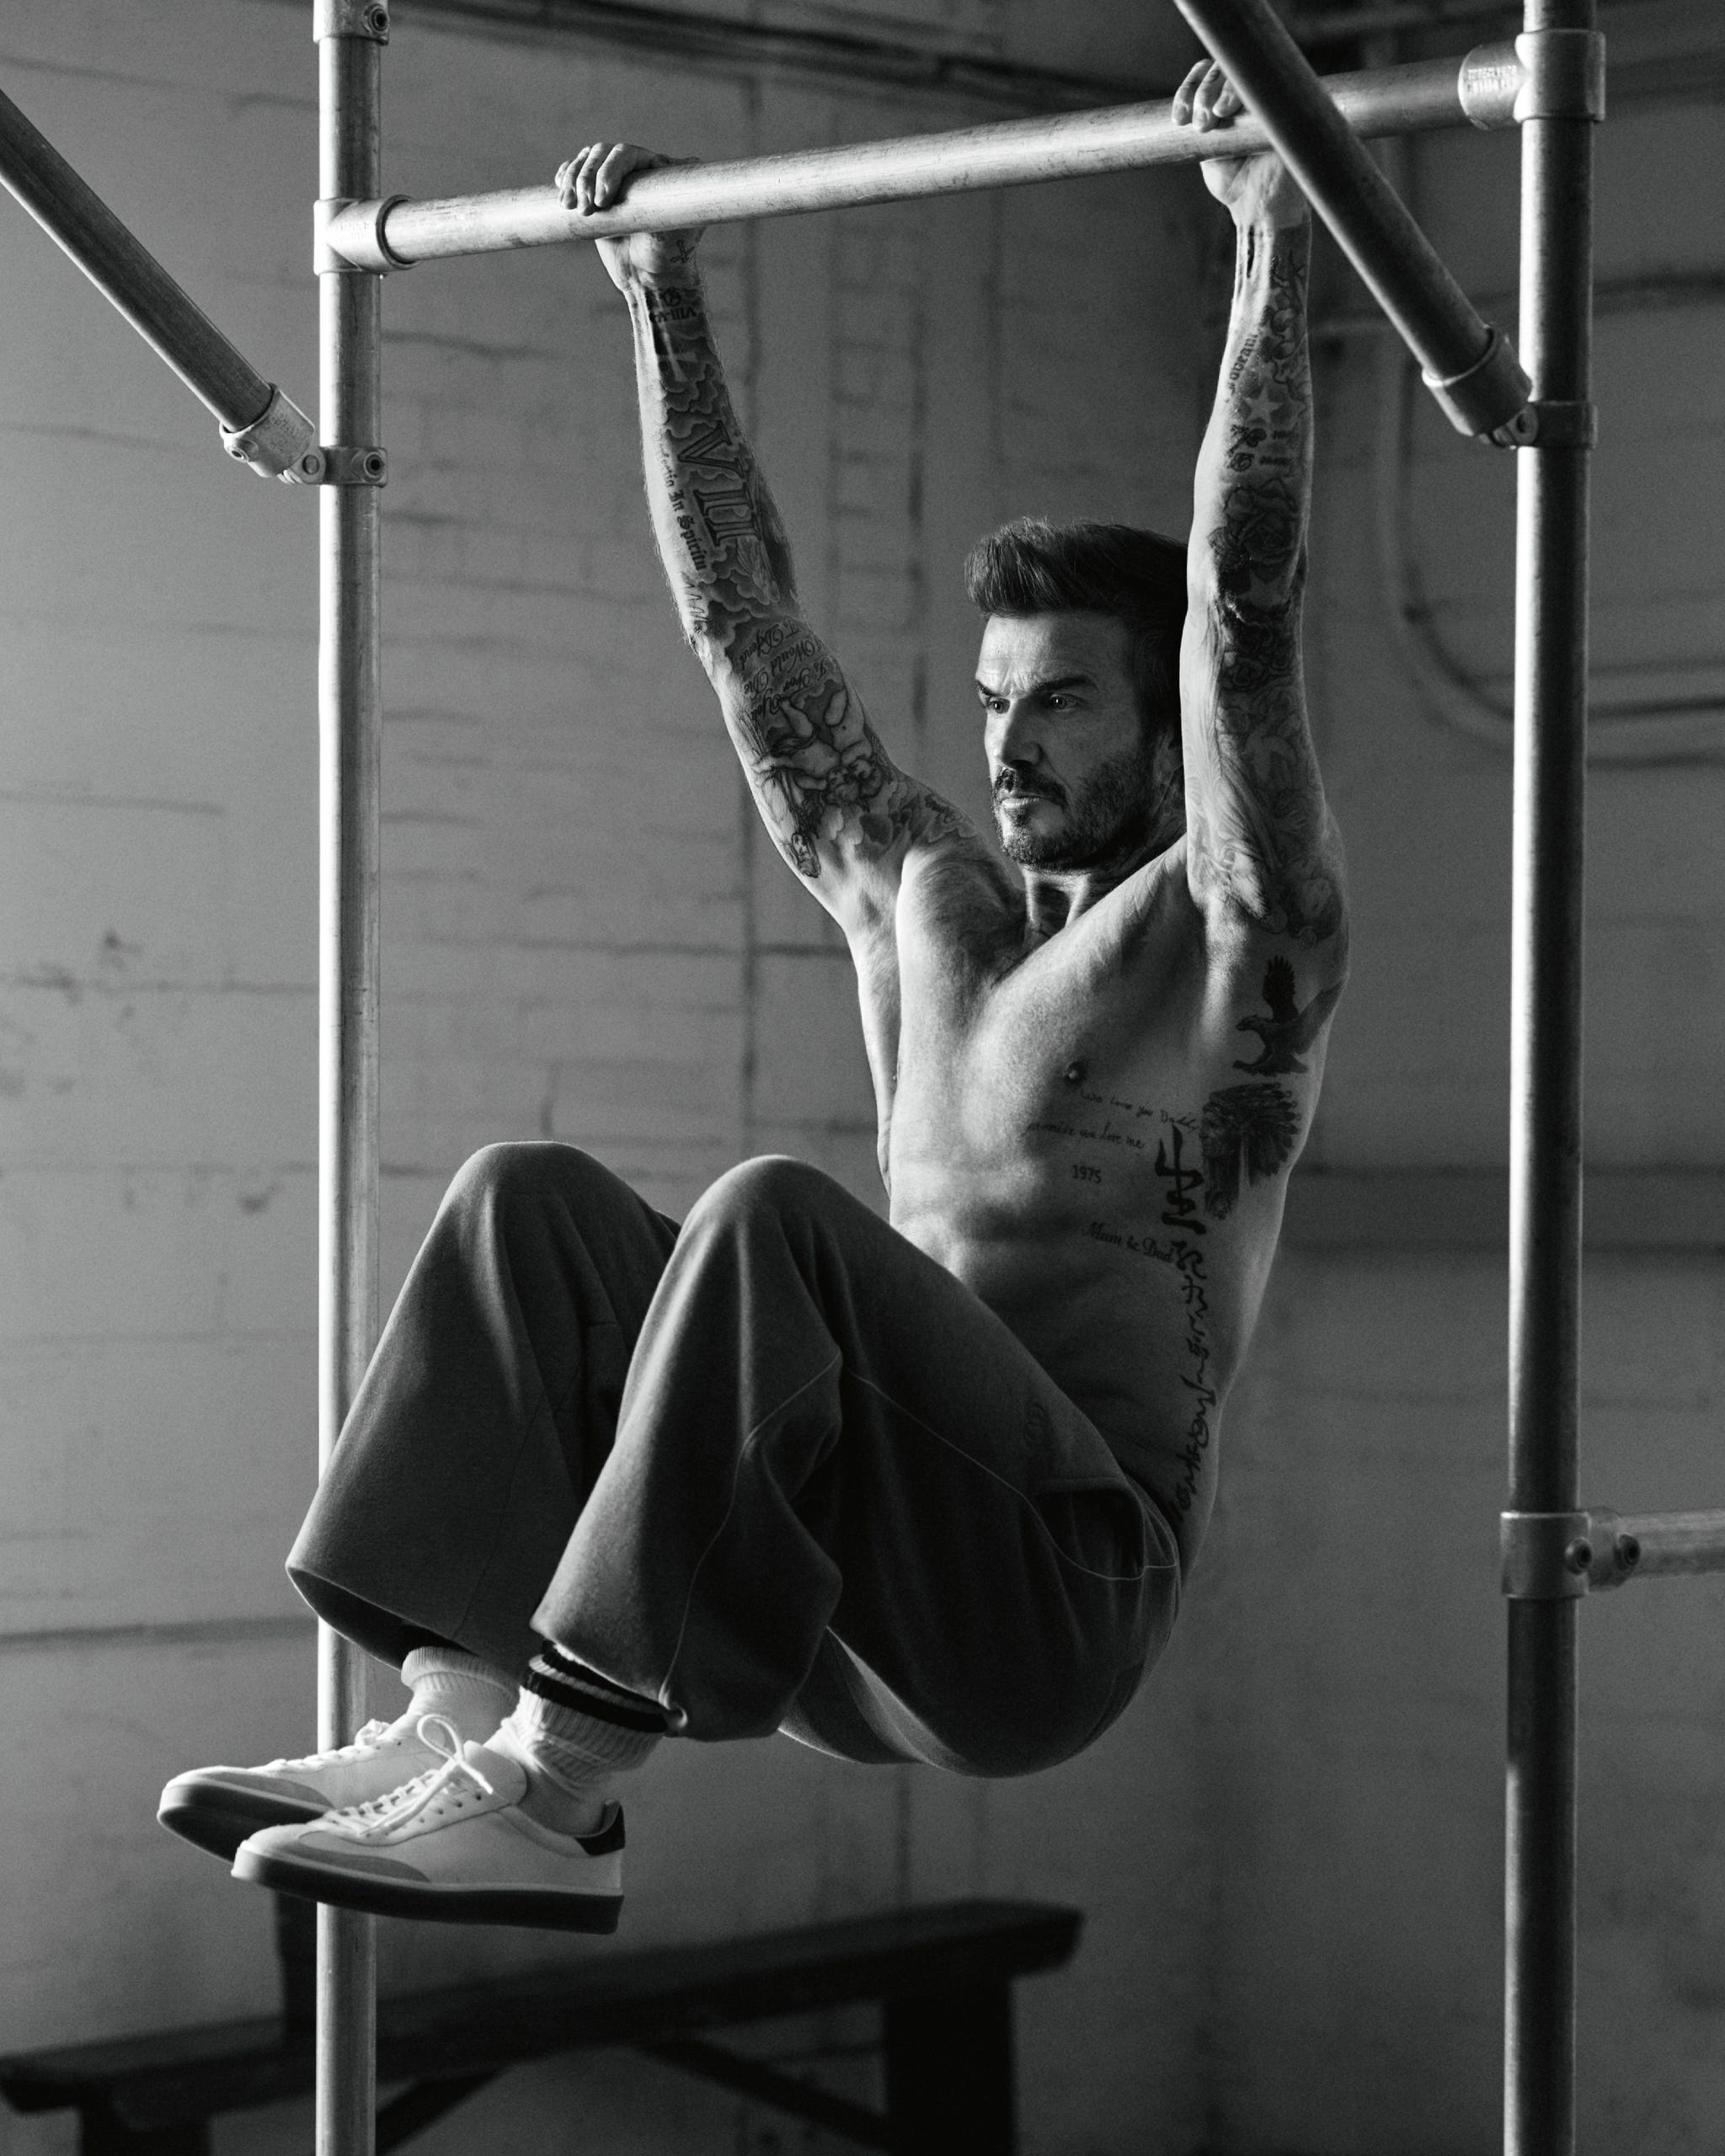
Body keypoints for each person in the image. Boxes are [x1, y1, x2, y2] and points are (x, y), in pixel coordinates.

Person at [157, 59, 1347, 1932]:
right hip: (831, 1577)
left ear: (1160, 726)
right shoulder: (935, 915)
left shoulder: (1224, 935)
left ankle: (553, 1794)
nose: (1011, 742)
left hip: (1043, 1602)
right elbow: (752, 648)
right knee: (525, 1206)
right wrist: (662, 299)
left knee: (773, 1216)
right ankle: (459, 1706)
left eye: (1065, 700)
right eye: (992, 702)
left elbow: (1244, 617)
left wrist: (1272, 243)